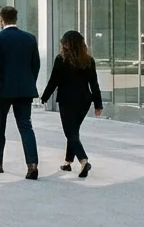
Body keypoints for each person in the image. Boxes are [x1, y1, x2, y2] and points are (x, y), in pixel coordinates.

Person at [0, 6, 41, 179]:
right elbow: (36, 64)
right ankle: (32, 165)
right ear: (16, 18)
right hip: (25, 89)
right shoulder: (30, 38)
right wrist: (28, 82)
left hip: (2, 90)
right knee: (26, 126)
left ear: (1, 19)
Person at [40, 30, 103, 178]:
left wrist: (45, 96)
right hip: (84, 101)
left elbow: (54, 80)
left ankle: (83, 160)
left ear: (68, 44)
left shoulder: (61, 59)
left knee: (70, 132)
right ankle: (68, 162)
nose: (62, 43)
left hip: (67, 101)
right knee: (73, 131)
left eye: (64, 41)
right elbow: (94, 84)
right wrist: (98, 104)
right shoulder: (88, 60)